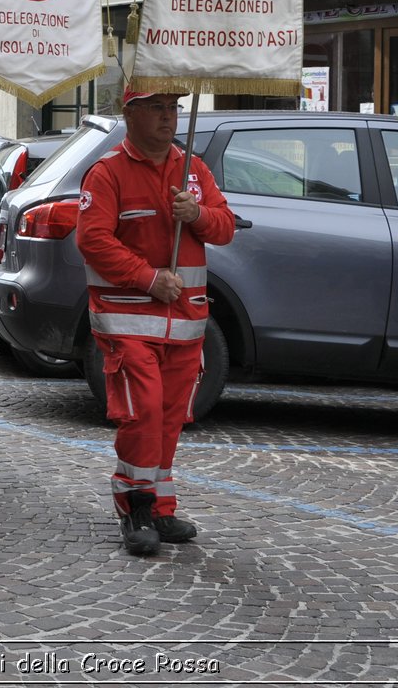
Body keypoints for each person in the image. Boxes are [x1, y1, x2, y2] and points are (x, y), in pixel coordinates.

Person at [75, 90, 235, 557]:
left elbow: (224, 224)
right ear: (130, 115)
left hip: (185, 324)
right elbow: (94, 240)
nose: (168, 118)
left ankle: (161, 505)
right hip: (128, 319)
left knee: (169, 416)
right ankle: (135, 505)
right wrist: (147, 279)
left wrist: (198, 214)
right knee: (142, 411)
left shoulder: (193, 169)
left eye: (173, 109)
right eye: (157, 109)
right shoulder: (107, 173)